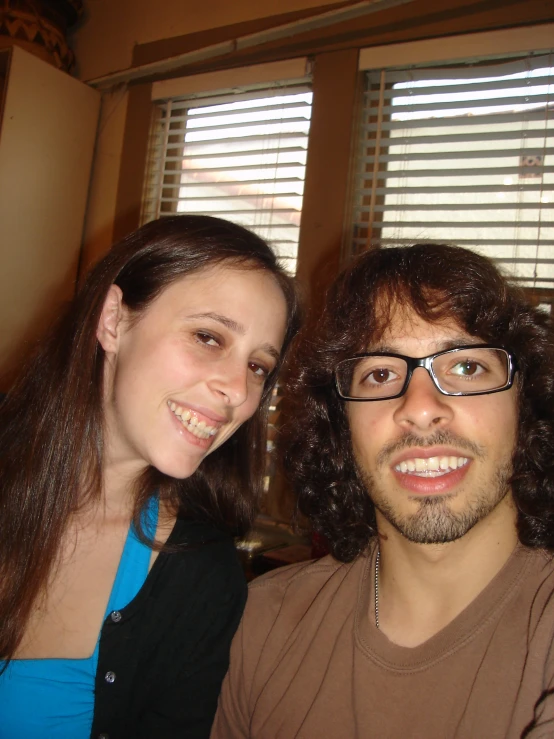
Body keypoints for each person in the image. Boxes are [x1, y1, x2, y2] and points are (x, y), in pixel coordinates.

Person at [211, 243, 554, 739]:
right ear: (340, 423)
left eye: (466, 367)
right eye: (380, 374)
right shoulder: (259, 628)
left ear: (526, 400)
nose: (419, 408)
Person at [0, 214, 300, 738]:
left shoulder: (202, 581)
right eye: (208, 336)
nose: (236, 389)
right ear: (114, 321)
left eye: (258, 366)